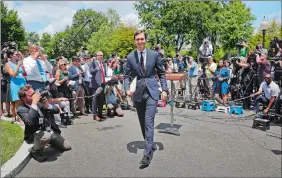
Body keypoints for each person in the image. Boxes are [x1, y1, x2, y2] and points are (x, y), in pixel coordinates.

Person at [124, 30, 167, 166]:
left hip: (152, 92)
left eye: (142, 39)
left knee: (149, 121)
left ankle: (147, 155)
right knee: (143, 122)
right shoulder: (130, 57)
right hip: (137, 93)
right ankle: (150, 143)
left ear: (146, 40)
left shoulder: (154, 55)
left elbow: (161, 73)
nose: (140, 41)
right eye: (138, 39)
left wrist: (164, 89)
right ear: (135, 41)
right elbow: (126, 76)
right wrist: (126, 88)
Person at [17, 85, 71, 162]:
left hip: (48, 130)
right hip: (35, 134)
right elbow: (30, 122)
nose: (35, 96)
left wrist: (47, 105)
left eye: (34, 93)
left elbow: (56, 110)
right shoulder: (21, 109)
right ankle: (35, 151)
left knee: (67, 146)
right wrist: (34, 103)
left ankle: (48, 142)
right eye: (31, 95)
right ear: (23, 98)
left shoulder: (40, 102)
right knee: (46, 136)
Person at [5, 50, 26, 124]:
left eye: (18, 54)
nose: (18, 55)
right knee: (17, 102)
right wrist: (18, 66)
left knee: (20, 102)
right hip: (15, 84)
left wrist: (20, 55)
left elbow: (22, 72)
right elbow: (13, 75)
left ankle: (14, 117)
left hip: (22, 83)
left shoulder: (18, 62)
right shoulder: (8, 64)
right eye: (16, 54)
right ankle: (20, 120)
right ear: (11, 56)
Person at [90, 51, 106, 121]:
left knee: (101, 100)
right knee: (95, 100)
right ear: (96, 56)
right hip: (95, 84)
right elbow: (91, 71)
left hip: (102, 84)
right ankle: (94, 115)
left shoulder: (103, 63)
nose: (101, 56)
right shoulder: (93, 63)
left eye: (102, 55)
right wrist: (97, 69)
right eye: (99, 55)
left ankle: (100, 113)